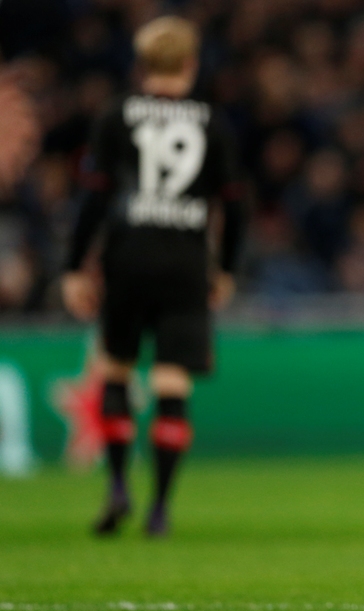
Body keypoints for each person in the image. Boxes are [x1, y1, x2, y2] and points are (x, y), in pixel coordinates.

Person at [62, 16, 245, 537]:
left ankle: (118, 485)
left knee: (116, 368)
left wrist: (76, 265)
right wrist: (226, 267)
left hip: (127, 257)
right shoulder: (212, 122)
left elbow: (93, 196)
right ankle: (160, 507)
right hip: (185, 262)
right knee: (171, 379)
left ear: (142, 65)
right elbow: (235, 204)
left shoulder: (117, 114)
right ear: (191, 65)